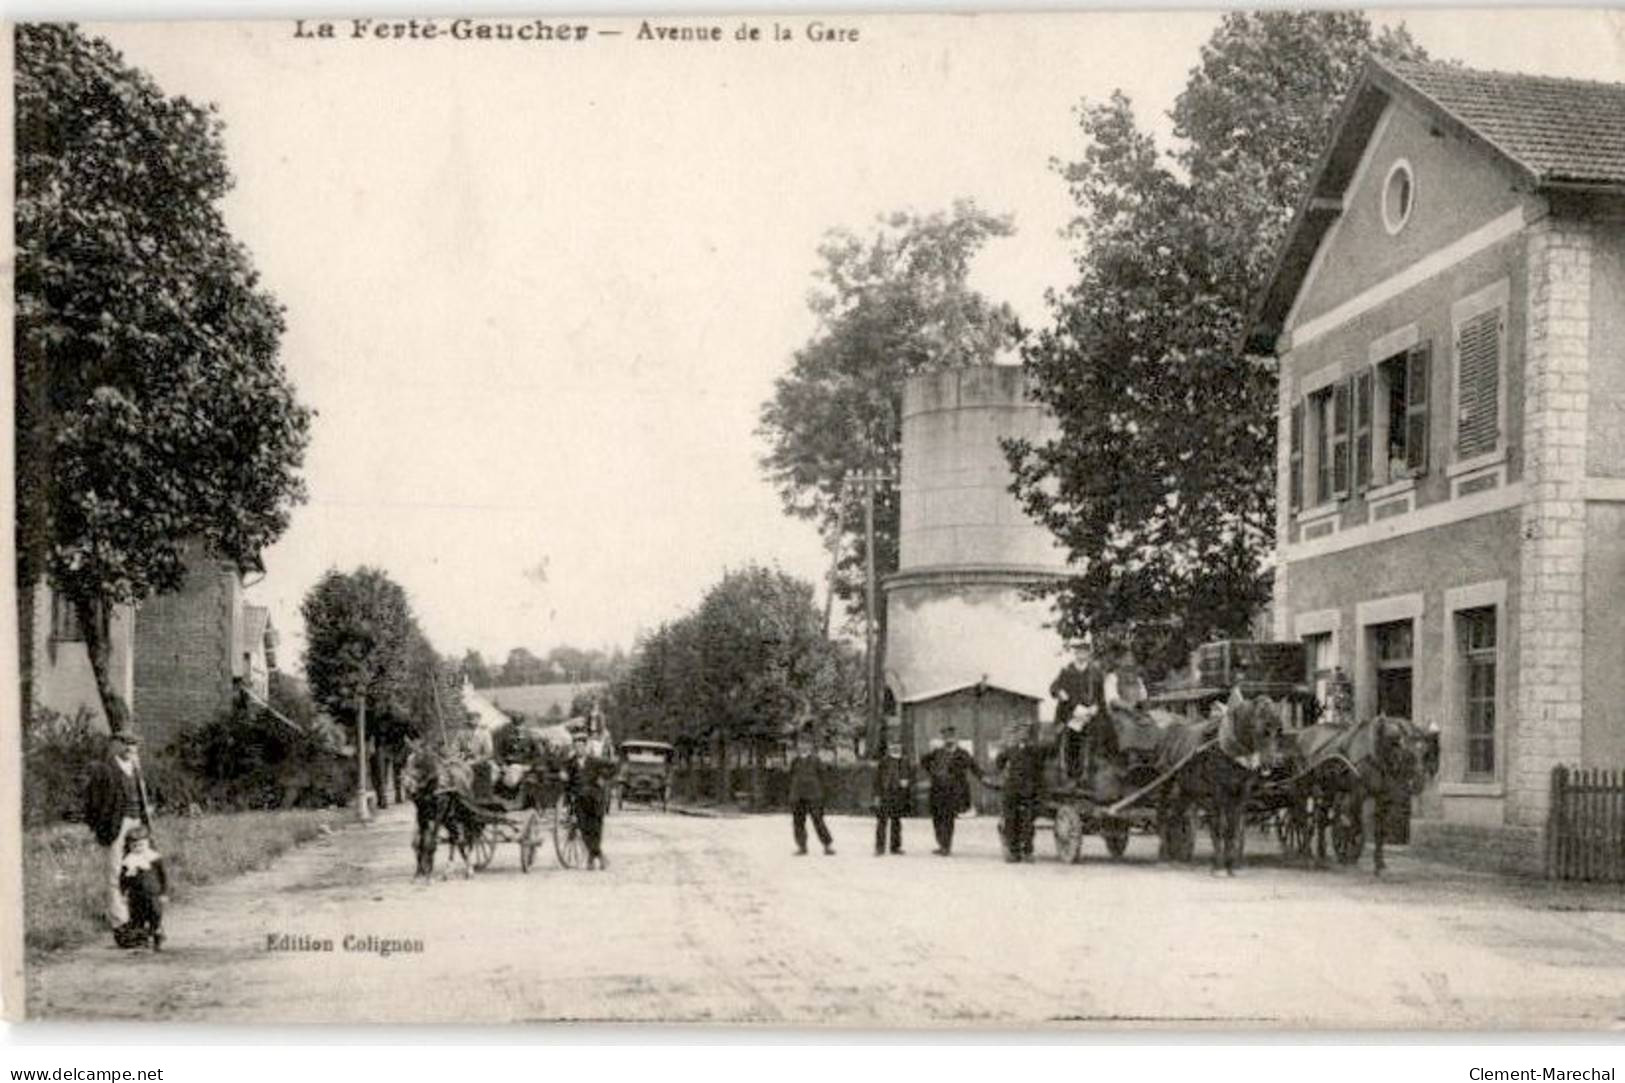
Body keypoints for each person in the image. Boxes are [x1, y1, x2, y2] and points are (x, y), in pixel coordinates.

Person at [83, 728, 153, 941]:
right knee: (115, 874)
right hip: (116, 826)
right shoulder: (105, 770)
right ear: (115, 744)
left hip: (137, 825)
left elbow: (142, 799)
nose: (130, 747)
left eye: (133, 743)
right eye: (125, 742)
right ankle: (120, 925)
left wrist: (145, 823)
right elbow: (92, 803)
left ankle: (137, 922)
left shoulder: (136, 769)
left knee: (137, 872)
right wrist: (99, 827)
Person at [918, 725, 978, 855]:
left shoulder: (962, 753)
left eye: (951, 737)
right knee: (937, 818)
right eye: (945, 737)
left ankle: (946, 845)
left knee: (948, 818)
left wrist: (984, 778)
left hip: (953, 791)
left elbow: (974, 767)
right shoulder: (937, 752)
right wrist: (932, 770)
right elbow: (923, 761)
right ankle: (941, 843)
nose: (948, 740)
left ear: (955, 738)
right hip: (937, 790)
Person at [1051, 643, 1104, 779]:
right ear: (1075, 654)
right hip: (1068, 712)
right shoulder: (1066, 671)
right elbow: (1054, 687)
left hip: (1087, 713)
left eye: (1085, 652)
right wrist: (1060, 692)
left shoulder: (1095, 673)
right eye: (1079, 652)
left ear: (1088, 654)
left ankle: (1086, 772)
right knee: (1065, 737)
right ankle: (1064, 772)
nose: (1082, 654)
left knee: (1092, 736)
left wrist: (1095, 707)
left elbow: (1100, 696)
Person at [993, 725, 1045, 863]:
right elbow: (999, 763)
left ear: (1029, 736)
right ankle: (1013, 851)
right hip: (1012, 790)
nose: (1023, 736)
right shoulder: (1010, 750)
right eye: (1021, 733)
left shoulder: (1035, 752)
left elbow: (1040, 771)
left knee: (1028, 823)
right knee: (1011, 821)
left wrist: (1037, 789)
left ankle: (1027, 851)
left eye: (1025, 733)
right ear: (1016, 735)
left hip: (1028, 791)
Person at [564, 730, 612, 870]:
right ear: (574, 748)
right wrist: (563, 774)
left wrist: (603, 778)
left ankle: (592, 858)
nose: (579, 749)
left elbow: (613, 766)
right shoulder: (570, 763)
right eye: (576, 746)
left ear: (586, 747)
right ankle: (599, 855)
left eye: (581, 746)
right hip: (579, 800)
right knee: (584, 829)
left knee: (596, 828)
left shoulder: (595, 761)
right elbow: (560, 770)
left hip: (595, 798)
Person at [117, 825, 168, 951]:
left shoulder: (154, 858)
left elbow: (163, 876)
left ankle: (157, 936)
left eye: (141, 845)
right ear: (129, 846)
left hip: (153, 894)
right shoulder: (128, 861)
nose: (138, 848)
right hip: (135, 896)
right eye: (134, 846)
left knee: (154, 915)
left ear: (147, 843)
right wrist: (123, 893)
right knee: (137, 917)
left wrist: (164, 893)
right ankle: (141, 941)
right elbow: (122, 880)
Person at [787, 732, 836, 856]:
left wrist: (824, 794)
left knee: (818, 820)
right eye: (801, 744)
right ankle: (802, 846)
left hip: (814, 795)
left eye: (806, 744)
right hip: (798, 795)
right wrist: (792, 794)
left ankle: (827, 845)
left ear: (810, 746)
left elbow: (823, 778)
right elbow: (790, 777)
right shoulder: (795, 761)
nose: (803, 746)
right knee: (798, 821)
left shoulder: (816, 760)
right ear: (797, 746)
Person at [873, 741, 912, 856]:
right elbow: (877, 779)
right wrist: (877, 795)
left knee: (896, 821)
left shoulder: (905, 761)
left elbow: (909, 777)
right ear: (889, 748)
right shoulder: (884, 761)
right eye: (893, 747)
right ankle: (880, 847)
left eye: (897, 747)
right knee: (882, 821)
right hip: (885, 793)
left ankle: (895, 846)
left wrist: (906, 788)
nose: (895, 749)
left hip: (898, 794)